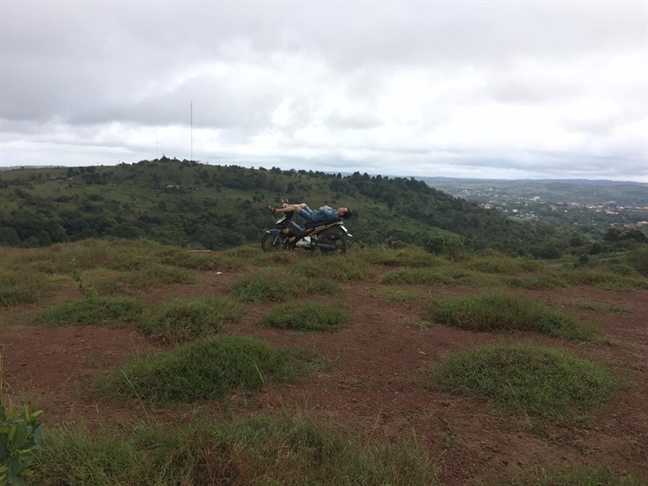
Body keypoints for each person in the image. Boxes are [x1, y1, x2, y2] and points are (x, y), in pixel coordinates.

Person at [268, 202, 351, 222]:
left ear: (342, 213)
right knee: (303, 204)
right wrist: (326, 208)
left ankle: (277, 211)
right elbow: (325, 209)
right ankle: (288, 206)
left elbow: (322, 209)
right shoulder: (335, 213)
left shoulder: (333, 215)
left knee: (296, 207)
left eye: (343, 209)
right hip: (314, 214)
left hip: (312, 217)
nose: (342, 207)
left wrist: (325, 207)